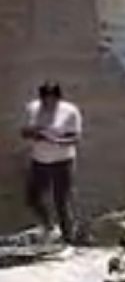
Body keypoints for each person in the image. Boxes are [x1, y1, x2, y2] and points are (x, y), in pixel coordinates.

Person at [21, 81, 82, 244]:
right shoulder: (33, 108)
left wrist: (54, 140)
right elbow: (24, 131)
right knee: (33, 197)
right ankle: (49, 226)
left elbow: (75, 138)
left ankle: (68, 238)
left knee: (61, 200)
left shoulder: (69, 111)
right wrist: (33, 134)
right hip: (39, 160)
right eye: (44, 100)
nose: (48, 104)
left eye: (51, 100)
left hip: (62, 161)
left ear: (58, 98)